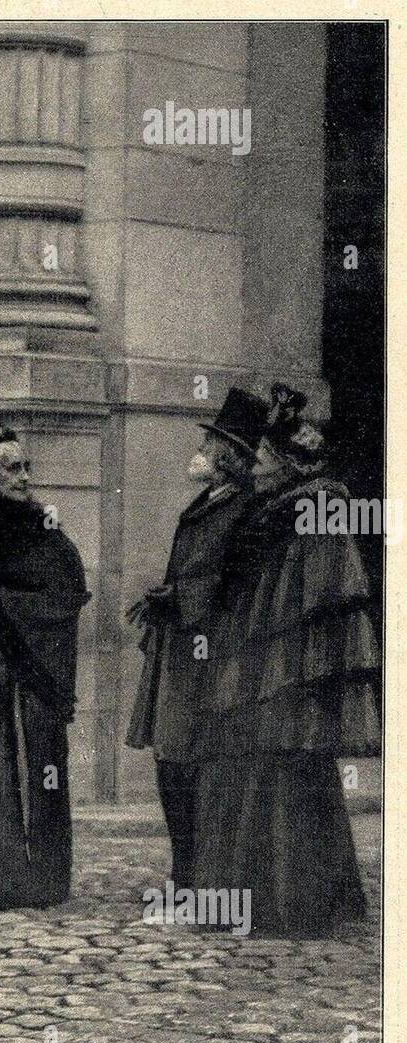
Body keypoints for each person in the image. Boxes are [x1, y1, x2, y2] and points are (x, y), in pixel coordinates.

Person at [191, 384, 381, 936]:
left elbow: (314, 609)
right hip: (260, 674)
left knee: (286, 776)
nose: (258, 466)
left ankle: (292, 904)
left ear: (285, 460)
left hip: (288, 679)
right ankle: (254, 900)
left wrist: (270, 669)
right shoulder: (273, 509)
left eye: (265, 457)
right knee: (253, 773)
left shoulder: (312, 510)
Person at [126, 387, 266, 895]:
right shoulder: (208, 500)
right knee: (170, 754)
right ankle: (185, 865)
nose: (203, 448)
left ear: (230, 457)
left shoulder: (246, 509)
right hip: (180, 645)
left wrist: (180, 597)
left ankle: (199, 871)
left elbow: (239, 581)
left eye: (212, 442)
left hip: (211, 650)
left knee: (193, 757)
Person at [0, 415, 90, 908]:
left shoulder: (47, 530)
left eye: (26, 466)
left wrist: (19, 616)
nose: (24, 477)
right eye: (11, 468)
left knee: (46, 767)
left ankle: (49, 879)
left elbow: (68, 589)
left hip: (40, 669)